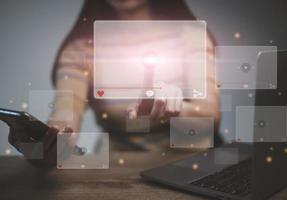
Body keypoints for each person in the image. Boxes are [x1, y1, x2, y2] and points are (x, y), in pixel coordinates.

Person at [8, 0, 220, 166]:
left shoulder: (190, 35)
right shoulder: (80, 51)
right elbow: (65, 118)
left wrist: (174, 107)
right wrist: (47, 148)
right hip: (121, 172)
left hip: (193, 166)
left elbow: (211, 115)